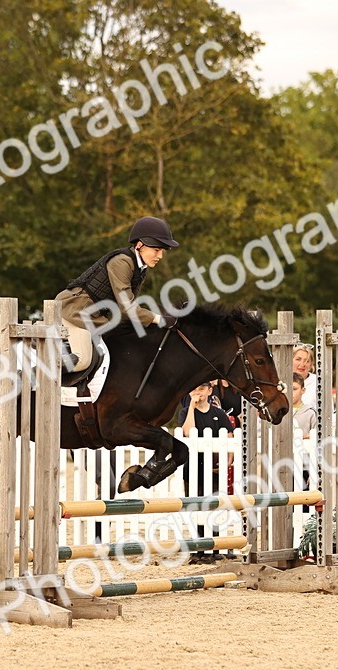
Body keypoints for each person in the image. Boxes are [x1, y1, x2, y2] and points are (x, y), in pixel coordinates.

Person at [54, 216, 179, 371]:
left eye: (162, 251)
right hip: (74, 311)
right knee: (83, 360)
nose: (160, 256)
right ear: (140, 245)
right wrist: (159, 319)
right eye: (156, 250)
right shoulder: (122, 262)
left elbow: (130, 308)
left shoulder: (141, 269)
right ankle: (36, 372)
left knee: (119, 343)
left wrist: (152, 323)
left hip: (93, 316)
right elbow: (126, 308)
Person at [181, 381, 237, 561]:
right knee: (196, 507)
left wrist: (228, 460)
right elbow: (188, 432)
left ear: (209, 391)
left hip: (214, 468)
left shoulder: (219, 414)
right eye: (195, 389)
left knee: (215, 507)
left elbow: (229, 437)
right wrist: (191, 406)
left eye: (202, 389)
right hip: (193, 467)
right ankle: (198, 548)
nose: (198, 393)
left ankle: (215, 548)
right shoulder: (185, 412)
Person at [292, 342, 318, 411]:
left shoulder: (318, 382)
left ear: (311, 365)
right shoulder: (281, 380)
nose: (302, 364)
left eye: (307, 361)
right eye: (298, 359)